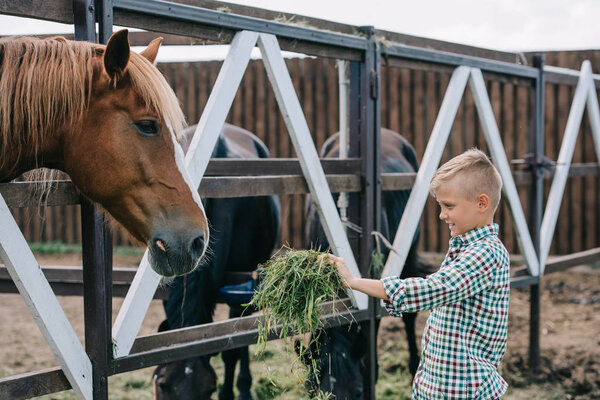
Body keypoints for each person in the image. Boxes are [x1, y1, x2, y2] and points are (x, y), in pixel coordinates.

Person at [327, 148, 510, 399]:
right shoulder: (466, 248)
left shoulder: (485, 255)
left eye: (449, 206)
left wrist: (354, 282)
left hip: (463, 389)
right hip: (439, 385)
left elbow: (432, 289)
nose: (442, 214)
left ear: (481, 203)